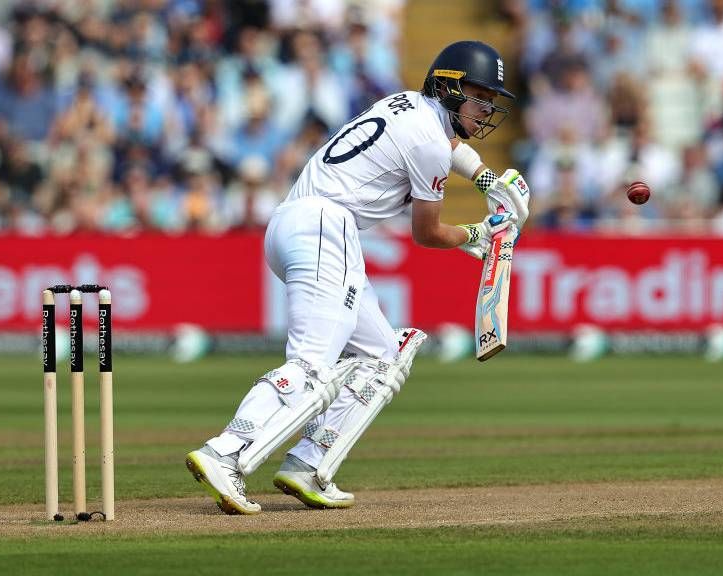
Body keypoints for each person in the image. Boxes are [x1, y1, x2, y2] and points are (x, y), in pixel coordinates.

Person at [185, 41, 531, 514]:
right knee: (313, 363)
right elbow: (427, 233)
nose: (487, 107)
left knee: (383, 356)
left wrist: (489, 182)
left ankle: (309, 463)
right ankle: (226, 452)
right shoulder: (429, 141)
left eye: (491, 99)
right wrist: (481, 231)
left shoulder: (405, 105)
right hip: (327, 226)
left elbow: (450, 146)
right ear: (449, 88)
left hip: (294, 225)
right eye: (479, 95)